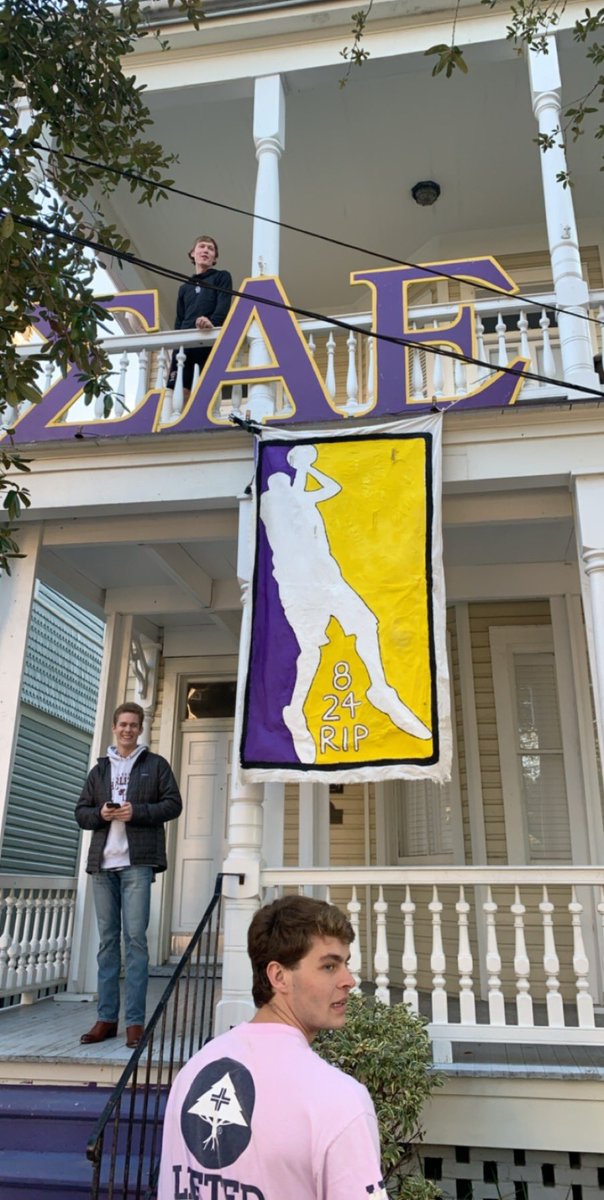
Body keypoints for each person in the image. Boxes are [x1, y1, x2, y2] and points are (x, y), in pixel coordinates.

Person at [158, 895, 387, 1200]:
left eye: (346, 964)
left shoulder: (194, 1072)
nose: (349, 980)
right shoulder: (340, 1100)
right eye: (329, 966)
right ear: (279, 976)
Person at [260, 444, 432, 763]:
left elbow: (333, 488)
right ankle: (295, 711)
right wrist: (301, 468)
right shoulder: (273, 504)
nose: (281, 482)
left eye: (284, 479)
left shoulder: (299, 500)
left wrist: (307, 467)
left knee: (367, 624)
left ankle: (380, 690)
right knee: (311, 652)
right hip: (300, 589)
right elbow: (294, 497)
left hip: (330, 581)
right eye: (277, 480)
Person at [75, 702, 182, 1049]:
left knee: (135, 942)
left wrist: (137, 812)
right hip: (103, 866)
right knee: (108, 943)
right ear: (114, 727)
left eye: (133, 725)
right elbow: (81, 813)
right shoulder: (100, 770)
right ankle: (107, 1019)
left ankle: (135, 1023)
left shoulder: (155, 765)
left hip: (138, 864)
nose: (127, 730)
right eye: (122, 724)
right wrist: (101, 814)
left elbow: (173, 804)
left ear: (140, 729)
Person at [166, 235, 232, 400]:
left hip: (208, 340)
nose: (206, 251)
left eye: (210, 249)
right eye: (201, 246)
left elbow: (223, 306)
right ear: (192, 254)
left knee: (203, 391)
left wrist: (213, 323)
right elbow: (179, 319)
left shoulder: (221, 277)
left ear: (215, 258)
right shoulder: (184, 288)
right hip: (185, 344)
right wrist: (176, 346)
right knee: (179, 391)